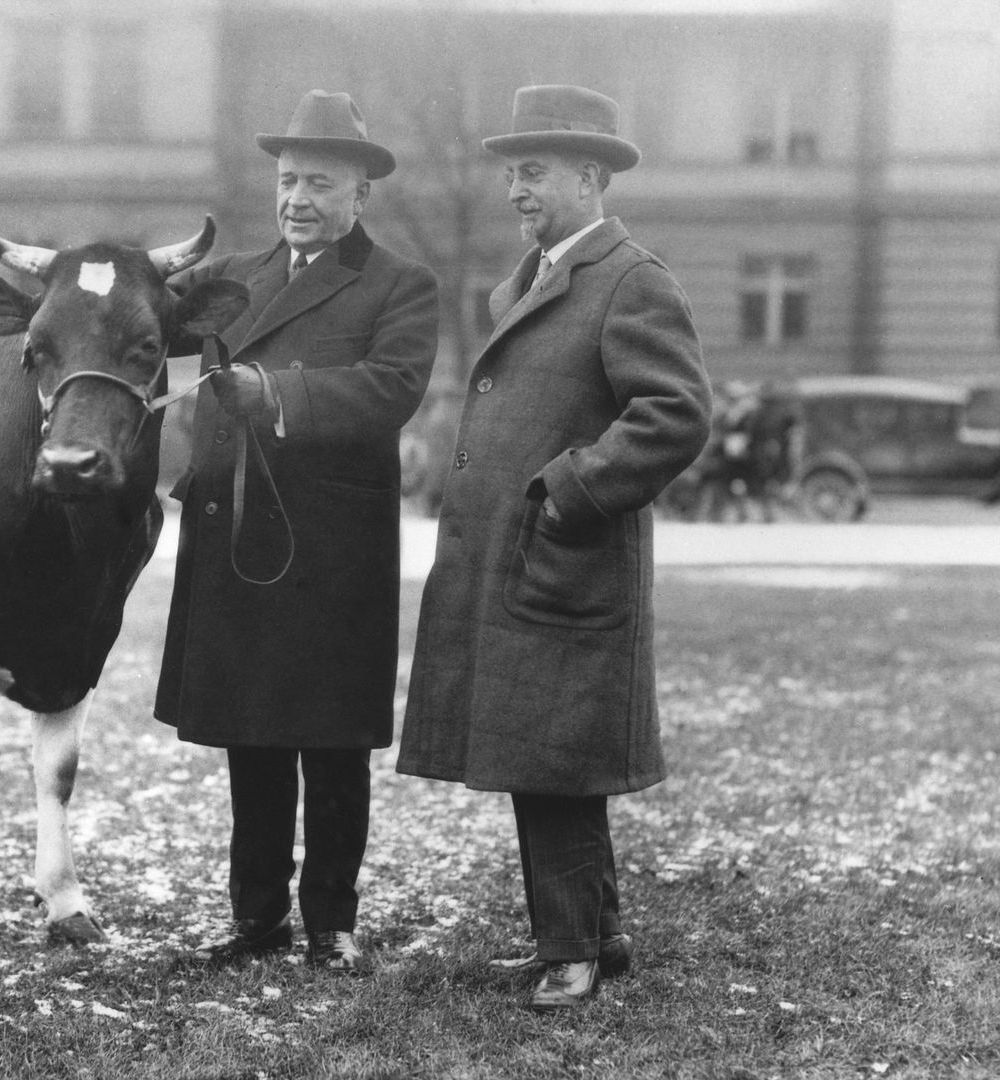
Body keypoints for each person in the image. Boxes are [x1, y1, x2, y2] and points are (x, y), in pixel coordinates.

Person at [396, 85, 712, 1010]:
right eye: (510, 173)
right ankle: (595, 938)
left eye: (531, 172)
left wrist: (569, 489)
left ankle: (569, 951)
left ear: (589, 175)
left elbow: (678, 415)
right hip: (526, 564)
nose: (514, 191)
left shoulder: (631, 279)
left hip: (567, 559)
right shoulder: (542, 277)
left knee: (555, 758)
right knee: (542, 750)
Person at [156, 89, 439, 972]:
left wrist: (277, 393)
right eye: (287, 180)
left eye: (319, 182)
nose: (298, 199)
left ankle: (330, 922)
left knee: (333, 743)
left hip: (332, 549)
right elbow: (138, 332)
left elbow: (391, 389)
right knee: (253, 735)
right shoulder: (232, 280)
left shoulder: (401, 284)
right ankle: (257, 918)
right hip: (239, 540)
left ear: (361, 195)